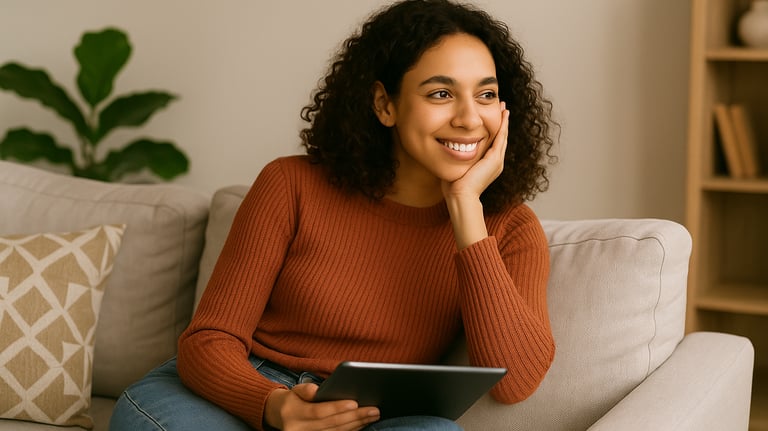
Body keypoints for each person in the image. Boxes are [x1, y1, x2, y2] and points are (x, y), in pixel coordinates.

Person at [110, 0, 558, 429]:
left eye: (486, 94)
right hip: (241, 392)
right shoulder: (291, 184)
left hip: (372, 414)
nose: (469, 118)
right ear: (385, 105)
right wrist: (271, 405)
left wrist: (465, 208)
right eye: (441, 93)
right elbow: (208, 341)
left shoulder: (510, 228)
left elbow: (515, 382)